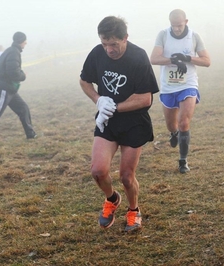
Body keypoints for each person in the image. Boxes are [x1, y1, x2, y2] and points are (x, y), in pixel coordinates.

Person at [79, 16, 159, 232]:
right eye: (105, 44)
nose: (109, 50)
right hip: (107, 123)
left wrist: (112, 106)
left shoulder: (138, 57)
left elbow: (145, 99)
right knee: (98, 171)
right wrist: (98, 100)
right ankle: (112, 199)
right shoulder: (97, 53)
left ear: (125, 37)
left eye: (114, 44)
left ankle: (134, 210)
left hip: (134, 123)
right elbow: (84, 81)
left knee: (126, 176)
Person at [150, 9, 211, 173]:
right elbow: (153, 58)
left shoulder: (194, 36)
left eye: (179, 25)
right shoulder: (163, 35)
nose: (176, 28)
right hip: (168, 86)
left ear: (186, 22)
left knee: (184, 122)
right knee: (172, 124)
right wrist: (173, 60)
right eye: (173, 25)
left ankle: (183, 161)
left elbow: (207, 61)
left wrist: (188, 58)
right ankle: (173, 133)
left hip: (188, 84)